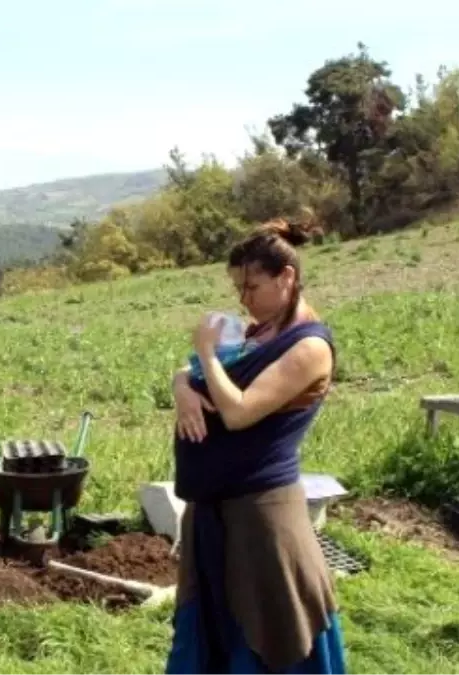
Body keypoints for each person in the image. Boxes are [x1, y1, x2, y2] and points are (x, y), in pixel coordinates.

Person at [165, 214, 347, 674]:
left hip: (261, 522)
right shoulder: (256, 334)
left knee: (268, 636)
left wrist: (206, 351)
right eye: (238, 290)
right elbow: (197, 375)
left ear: (287, 278)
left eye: (252, 287)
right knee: (214, 635)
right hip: (212, 513)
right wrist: (183, 385)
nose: (244, 300)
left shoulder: (309, 348)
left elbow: (240, 410)